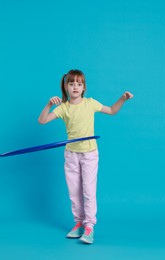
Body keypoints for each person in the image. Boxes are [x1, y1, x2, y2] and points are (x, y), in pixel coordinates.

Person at [38, 69, 134, 244]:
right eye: (72, 83)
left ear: (84, 88)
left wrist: (123, 99)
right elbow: (42, 121)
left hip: (89, 153)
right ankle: (78, 223)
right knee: (74, 191)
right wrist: (48, 105)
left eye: (79, 84)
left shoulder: (90, 103)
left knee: (88, 191)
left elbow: (112, 110)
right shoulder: (63, 108)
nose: (75, 87)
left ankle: (89, 226)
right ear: (66, 87)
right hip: (71, 154)